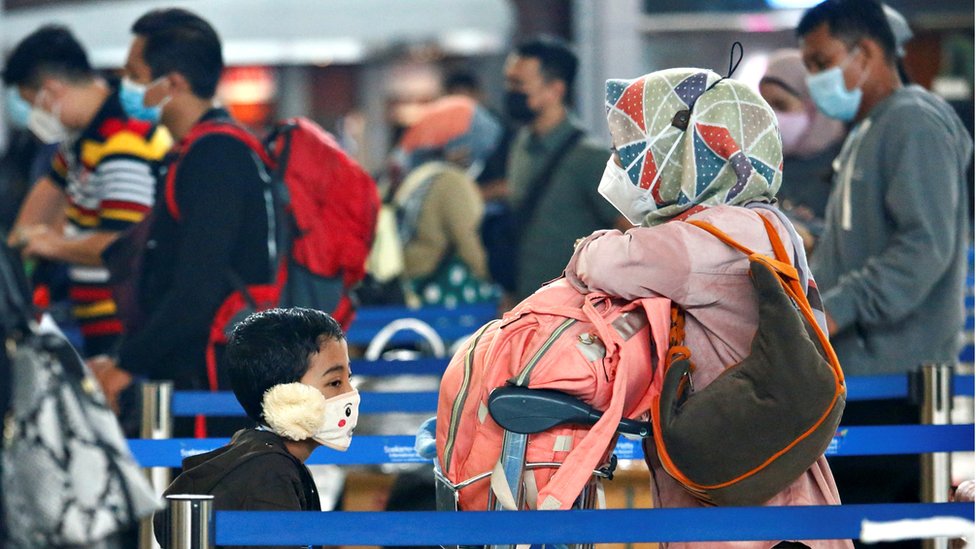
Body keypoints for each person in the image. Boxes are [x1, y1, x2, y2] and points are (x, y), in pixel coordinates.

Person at [563, 67, 850, 549]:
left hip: (733, 489)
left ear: (686, 154)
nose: (623, 167)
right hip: (778, 467)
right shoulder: (771, 222)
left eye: (634, 151)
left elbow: (599, 263)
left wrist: (590, 243)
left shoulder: (702, 240)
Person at [797, 0, 972, 532]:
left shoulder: (914, 122)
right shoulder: (870, 127)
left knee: (878, 531)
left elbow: (924, 247)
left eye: (821, 62)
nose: (815, 80)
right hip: (859, 375)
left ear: (867, 51)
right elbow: (874, 240)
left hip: (896, 382)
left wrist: (836, 310)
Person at [89, 9, 275, 427]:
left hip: (213, 382)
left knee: (207, 490)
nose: (127, 87)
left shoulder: (216, 156)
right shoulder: (196, 152)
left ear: (172, 83)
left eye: (135, 74)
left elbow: (196, 290)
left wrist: (124, 365)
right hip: (200, 372)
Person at [2, 25, 170, 357]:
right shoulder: (82, 138)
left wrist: (48, 244)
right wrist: (15, 250)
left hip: (124, 327)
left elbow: (122, 243)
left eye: (31, 104)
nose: (34, 118)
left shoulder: (123, 139)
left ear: (51, 91)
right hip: (94, 321)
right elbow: (48, 190)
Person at [152, 307, 358, 549]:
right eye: (335, 382)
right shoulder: (269, 474)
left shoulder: (264, 457)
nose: (350, 394)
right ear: (285, 395)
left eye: (349, 379)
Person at [503, 35, 626, 303]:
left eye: (518, 84)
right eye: (508, 81)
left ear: (555, 90)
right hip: (526, 305)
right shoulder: (521, 145)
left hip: (575, 313)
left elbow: (628, 231)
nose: (509, 91)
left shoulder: (588, 158)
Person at [391, 95, 501, 308]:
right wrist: (496, 280)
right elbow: (470, 242)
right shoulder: (453, 183)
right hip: (438, 291)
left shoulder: (420, 177)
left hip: (410, 284)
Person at [760, 49, 846, 233]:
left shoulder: (846, 164)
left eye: (781, 105)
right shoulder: (763, 168)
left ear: (812, 105)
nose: (772, 117)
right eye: (765, 107)